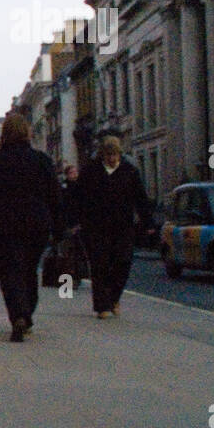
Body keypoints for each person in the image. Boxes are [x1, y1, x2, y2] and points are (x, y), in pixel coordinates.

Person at [0, 113, 62, 342]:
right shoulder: (41, 160)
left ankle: (18, 315)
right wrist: (58, 226)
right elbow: (55, 196)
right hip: (36, 225)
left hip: (2, 226)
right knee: (29, 270)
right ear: (27, 133)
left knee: (9, 272)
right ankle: (26, 313)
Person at [76, 136, 152, 319]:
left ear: (120, 154)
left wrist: (147, 222)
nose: (112, 158)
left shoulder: (129, 171)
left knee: (123, 263)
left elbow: (141, 198)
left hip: (123, 226)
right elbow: (79, 199)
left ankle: (114, 297)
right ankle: (102, 306)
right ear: (102, 155)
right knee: (99, 266)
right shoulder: (90, 172)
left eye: (115, 154)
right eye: (108, 155)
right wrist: (78, 222)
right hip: (96, 227)